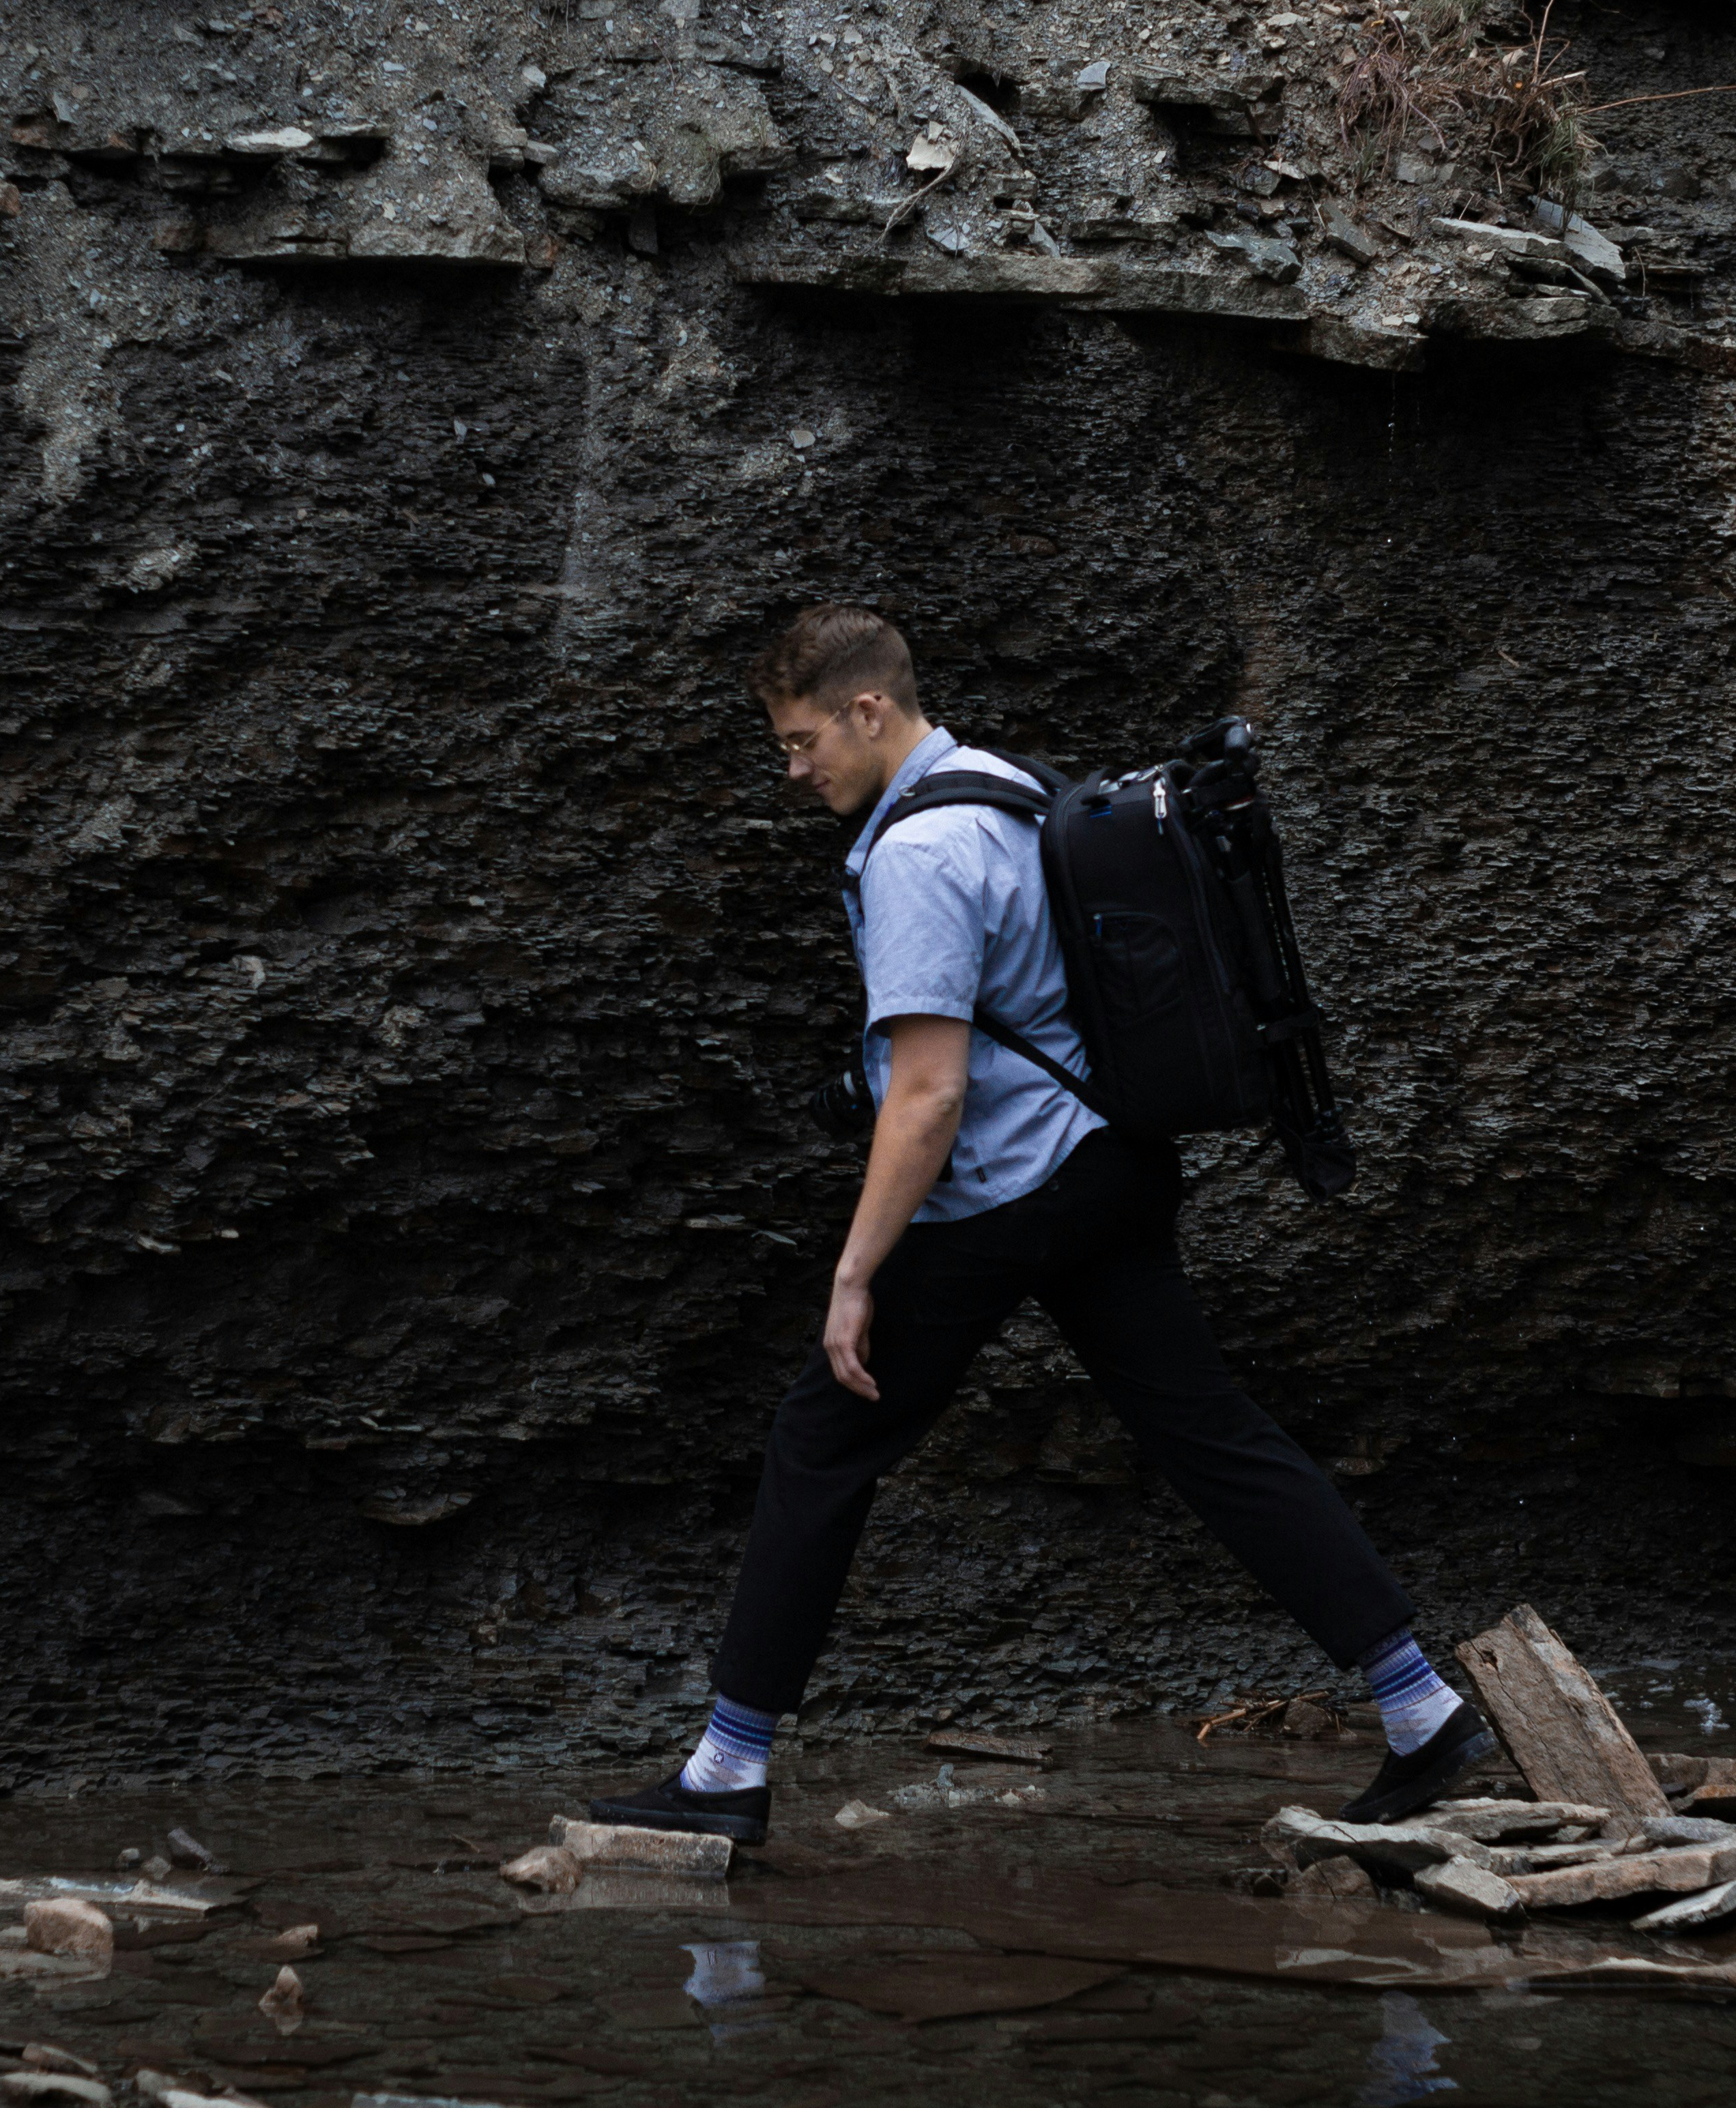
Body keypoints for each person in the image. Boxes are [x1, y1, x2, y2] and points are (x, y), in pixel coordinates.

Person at [583, 606, 1495, 1843]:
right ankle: (1420, 1706)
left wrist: (857, 1274)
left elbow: (931, 1092)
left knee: (820, 1441)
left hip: (1008, 1194)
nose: (793, 771)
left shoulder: (913, 854)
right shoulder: (1007, 785)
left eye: (802, 742)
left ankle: (726, 1778)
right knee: (1212, 1435)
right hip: (1111, 1167)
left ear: (868, 710)